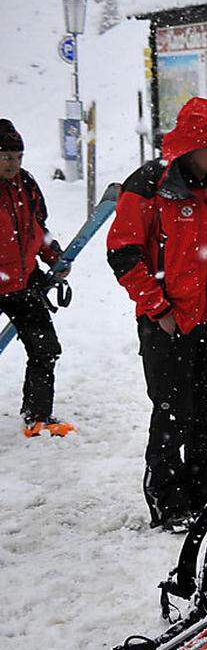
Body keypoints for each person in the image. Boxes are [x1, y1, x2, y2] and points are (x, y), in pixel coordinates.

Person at [107, 97, 207, 531]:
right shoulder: (149, 185)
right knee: (172, 411)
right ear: (192, 145)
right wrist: (157, 307)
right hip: (168, 322)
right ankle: (169, 500)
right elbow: (123, 253)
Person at [0, 118, 73, 438]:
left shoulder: (26, 185)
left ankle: (38, 416)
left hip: (23, 284)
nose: (11, 163)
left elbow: (37, 228)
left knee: (46, 349)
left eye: (16, 157)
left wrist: (53, 256)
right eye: (4, 156)